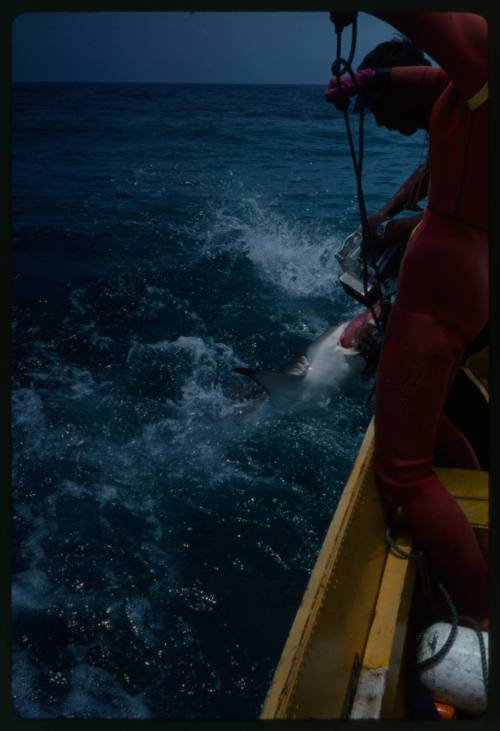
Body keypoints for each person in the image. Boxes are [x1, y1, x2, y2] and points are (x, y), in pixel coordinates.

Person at [326, 12, 488, 627]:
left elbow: (429, 20)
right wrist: (375, 81)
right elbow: (439, 79)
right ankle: (476, 517)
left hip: (443, 284)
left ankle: (482, 618)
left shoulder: (482, 44)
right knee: (436, 423)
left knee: (403, 470)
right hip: (463, 271)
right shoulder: (471, 76)